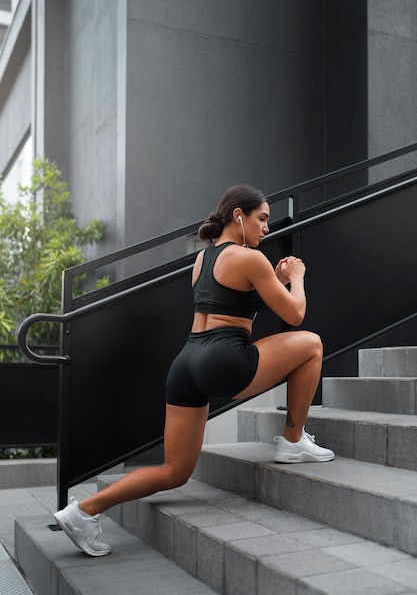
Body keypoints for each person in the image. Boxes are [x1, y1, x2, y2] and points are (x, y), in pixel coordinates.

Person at [54, 183, 334, 557]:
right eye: (262, 218)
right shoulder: (251, 259)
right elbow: (294, 314)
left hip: (186, 364)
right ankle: (294, 439)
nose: (267, 227)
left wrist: (277, 280)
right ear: (239, 216)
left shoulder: (203, 259)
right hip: (225, 357)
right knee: (311, 343)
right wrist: (296, 277)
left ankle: (83, 511)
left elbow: (234, 300)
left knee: (174, 471)